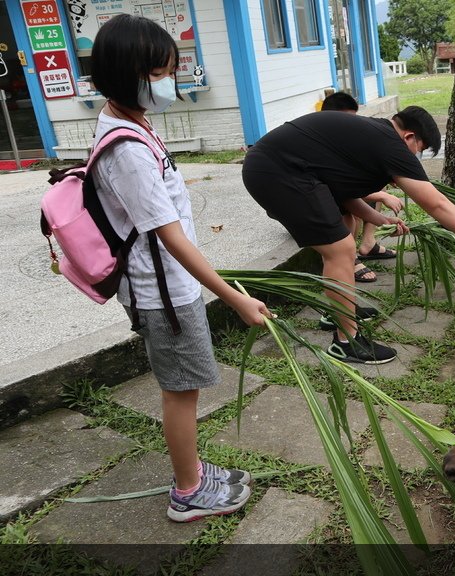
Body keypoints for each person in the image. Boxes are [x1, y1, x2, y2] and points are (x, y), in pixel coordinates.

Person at [89, 14, 272, 522]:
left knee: (184, 387)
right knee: (181, 392)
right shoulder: (127, 149)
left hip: (168, 286)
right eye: (160, 72)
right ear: (129, 74)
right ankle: (187, 491)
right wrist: (232, 295)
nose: (169, 81)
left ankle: (190, 469)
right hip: (163, 292)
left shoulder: (131, 124)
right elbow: (168, 236)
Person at [242, 105, 455, 365]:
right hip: (277, 171)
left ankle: (337, 313)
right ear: (409, 137)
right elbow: (436, 204)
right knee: (341, 248)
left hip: (282, 167)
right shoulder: (391, 143)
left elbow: (340, 188)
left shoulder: (373, 134)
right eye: (419, 152)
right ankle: (346, 342)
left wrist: (378, 218)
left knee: (345, 228)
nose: (415, 159)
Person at [319, 92, 404, 284]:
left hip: (333, 194)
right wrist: (381, 196)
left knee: (375, 183)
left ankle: (368, 243)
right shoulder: (321, 141)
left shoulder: (345, 141)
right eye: (347, 121)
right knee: (348, 210)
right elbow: (335, 187)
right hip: (307, 208)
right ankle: (350, 258)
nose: (352, 127)